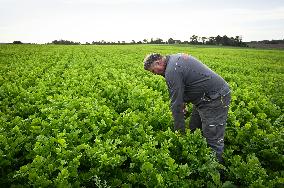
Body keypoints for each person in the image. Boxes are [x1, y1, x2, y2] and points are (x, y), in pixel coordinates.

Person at [143, 53, 231, 163]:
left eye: (153, 71)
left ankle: (216, 170)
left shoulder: (171, 70)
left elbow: (176, 104)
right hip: (203, 99)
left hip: (216, 98)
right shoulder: (174, 60)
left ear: (158, 63)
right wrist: (183, 100)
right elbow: (187, 83)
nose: (154, 74)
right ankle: (198, 157)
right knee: (194, 128)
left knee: (212, 136)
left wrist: (179, 134)